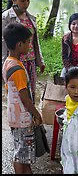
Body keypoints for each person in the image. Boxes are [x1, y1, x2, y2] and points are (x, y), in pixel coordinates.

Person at [2, 23, 43, 174]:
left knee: (23, 152)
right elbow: (25, 97)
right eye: (27, 42)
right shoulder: (18, 69)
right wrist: (36, 114)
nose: (29, 46)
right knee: (21, 155)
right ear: (19, 45)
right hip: (22, 118)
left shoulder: (8, 61)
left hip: (14, 116)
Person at [2, 0, 45, 103]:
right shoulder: (6, 17)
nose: (26, 4)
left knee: (31, 90)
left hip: (30, 59)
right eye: (22, 1)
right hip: (16, 61)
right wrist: (4, 64)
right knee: (18, 92)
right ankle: (19, 116)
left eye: (28, 0)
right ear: (13, 0)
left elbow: (35, 41)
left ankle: (31, 116)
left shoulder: (30, 17)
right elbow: (3, 43)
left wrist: (40, 61)